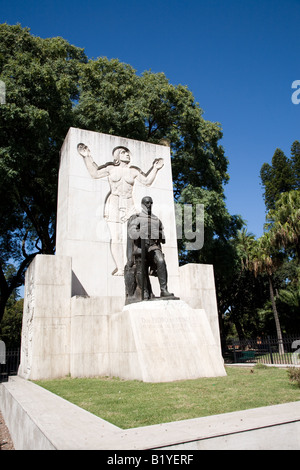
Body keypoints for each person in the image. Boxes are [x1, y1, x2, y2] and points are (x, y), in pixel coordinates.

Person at [77, 143, 164, 275]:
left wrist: (155, 168)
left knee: (131, 237)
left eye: (128, 153)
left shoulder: (133, 171)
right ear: (117, 156)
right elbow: (94, 174)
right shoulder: (111, 168)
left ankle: (131, 265)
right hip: (114, 201)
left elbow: (147, 181)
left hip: (129, 203)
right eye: (123, 152)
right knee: (116, 237)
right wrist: (87, 156)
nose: (127, 154)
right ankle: (120, 268)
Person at [125, 196, 175, 302]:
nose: (149, 205)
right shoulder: (137, 218)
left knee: (161, 261)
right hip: (141, 248)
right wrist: (140, 233)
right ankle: (144, 292)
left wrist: (159, 234)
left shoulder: (156, 219)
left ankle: (164, 290)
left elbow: (163, 235)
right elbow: (132, 232)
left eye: (151, 203)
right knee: (141, 269)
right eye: (147, 203)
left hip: (153, 246)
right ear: (142, 204)